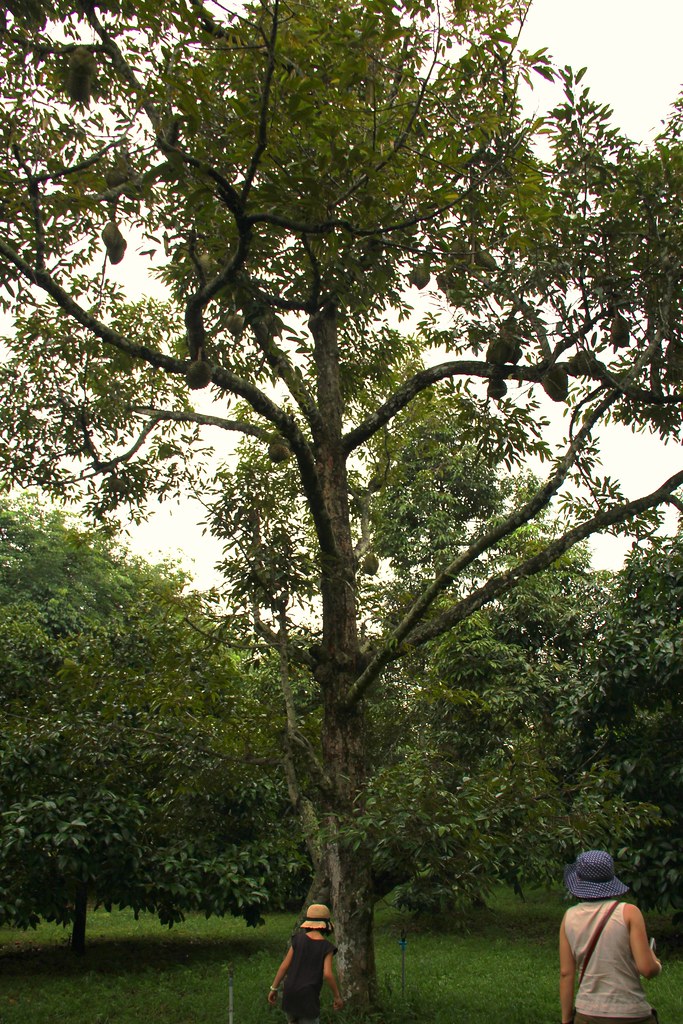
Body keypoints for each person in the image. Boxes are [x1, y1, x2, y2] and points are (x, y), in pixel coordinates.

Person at [559, 849, 662, 1024]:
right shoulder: (629, 913)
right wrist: (656, 962)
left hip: (587, 1013)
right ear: (610, 880)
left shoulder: (569, 917)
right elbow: (647, 969)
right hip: (632, 1013)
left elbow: (566, 973)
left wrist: (567, 1019)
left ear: (579, 881)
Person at [268, 903, 344, 1024]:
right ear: (326, 926)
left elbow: (284, 966)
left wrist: (274, 988)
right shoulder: (327, 947)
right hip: (308, 997)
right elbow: (328, 974)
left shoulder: (297, 939)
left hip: (290, 994)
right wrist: (337, 996)